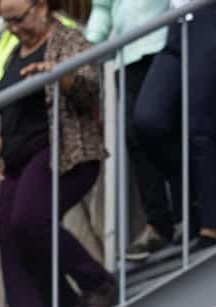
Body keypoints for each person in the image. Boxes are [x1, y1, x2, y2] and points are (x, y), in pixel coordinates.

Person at [0, 0, 117, 307]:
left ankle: (98, 282)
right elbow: (10, 106)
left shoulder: (68, 40)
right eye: (7, 21)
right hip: (17, 157)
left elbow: (90, 86)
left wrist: (61, 76)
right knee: (9, 240)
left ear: (41, 6)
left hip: (62, 152)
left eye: (20, 18)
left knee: (28, 220)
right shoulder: (14, 52)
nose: (14, 27)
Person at [133, 2, 216, 244]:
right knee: (147, 120)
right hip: (177, 24)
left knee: (199, 127)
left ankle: (212, 221)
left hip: (213, 15)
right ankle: (193, 195)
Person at [84, 0, 178, 260]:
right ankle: (158, 222)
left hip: (164, 46)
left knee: (165, 129)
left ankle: (186, 210)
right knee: (136, 139)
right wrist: (88, 47)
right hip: (127, 57)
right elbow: (102, 8)